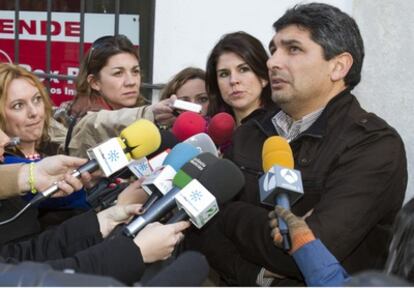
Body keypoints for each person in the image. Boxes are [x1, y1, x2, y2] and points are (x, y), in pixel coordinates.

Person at [186, 3, 407, 286]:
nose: (272, 62)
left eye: (293, 49)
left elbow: (310, 251)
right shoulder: (251, 131)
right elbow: (198, 230)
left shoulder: (373, 145)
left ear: (338, 66)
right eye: (274, 49)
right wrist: (258, 276)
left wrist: (224, 214)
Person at [205, 31, 275, 126]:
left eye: (243, 69)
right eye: (224, 74)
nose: (233, 80)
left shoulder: (286, 128)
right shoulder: (209, 133)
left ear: (263, 77)